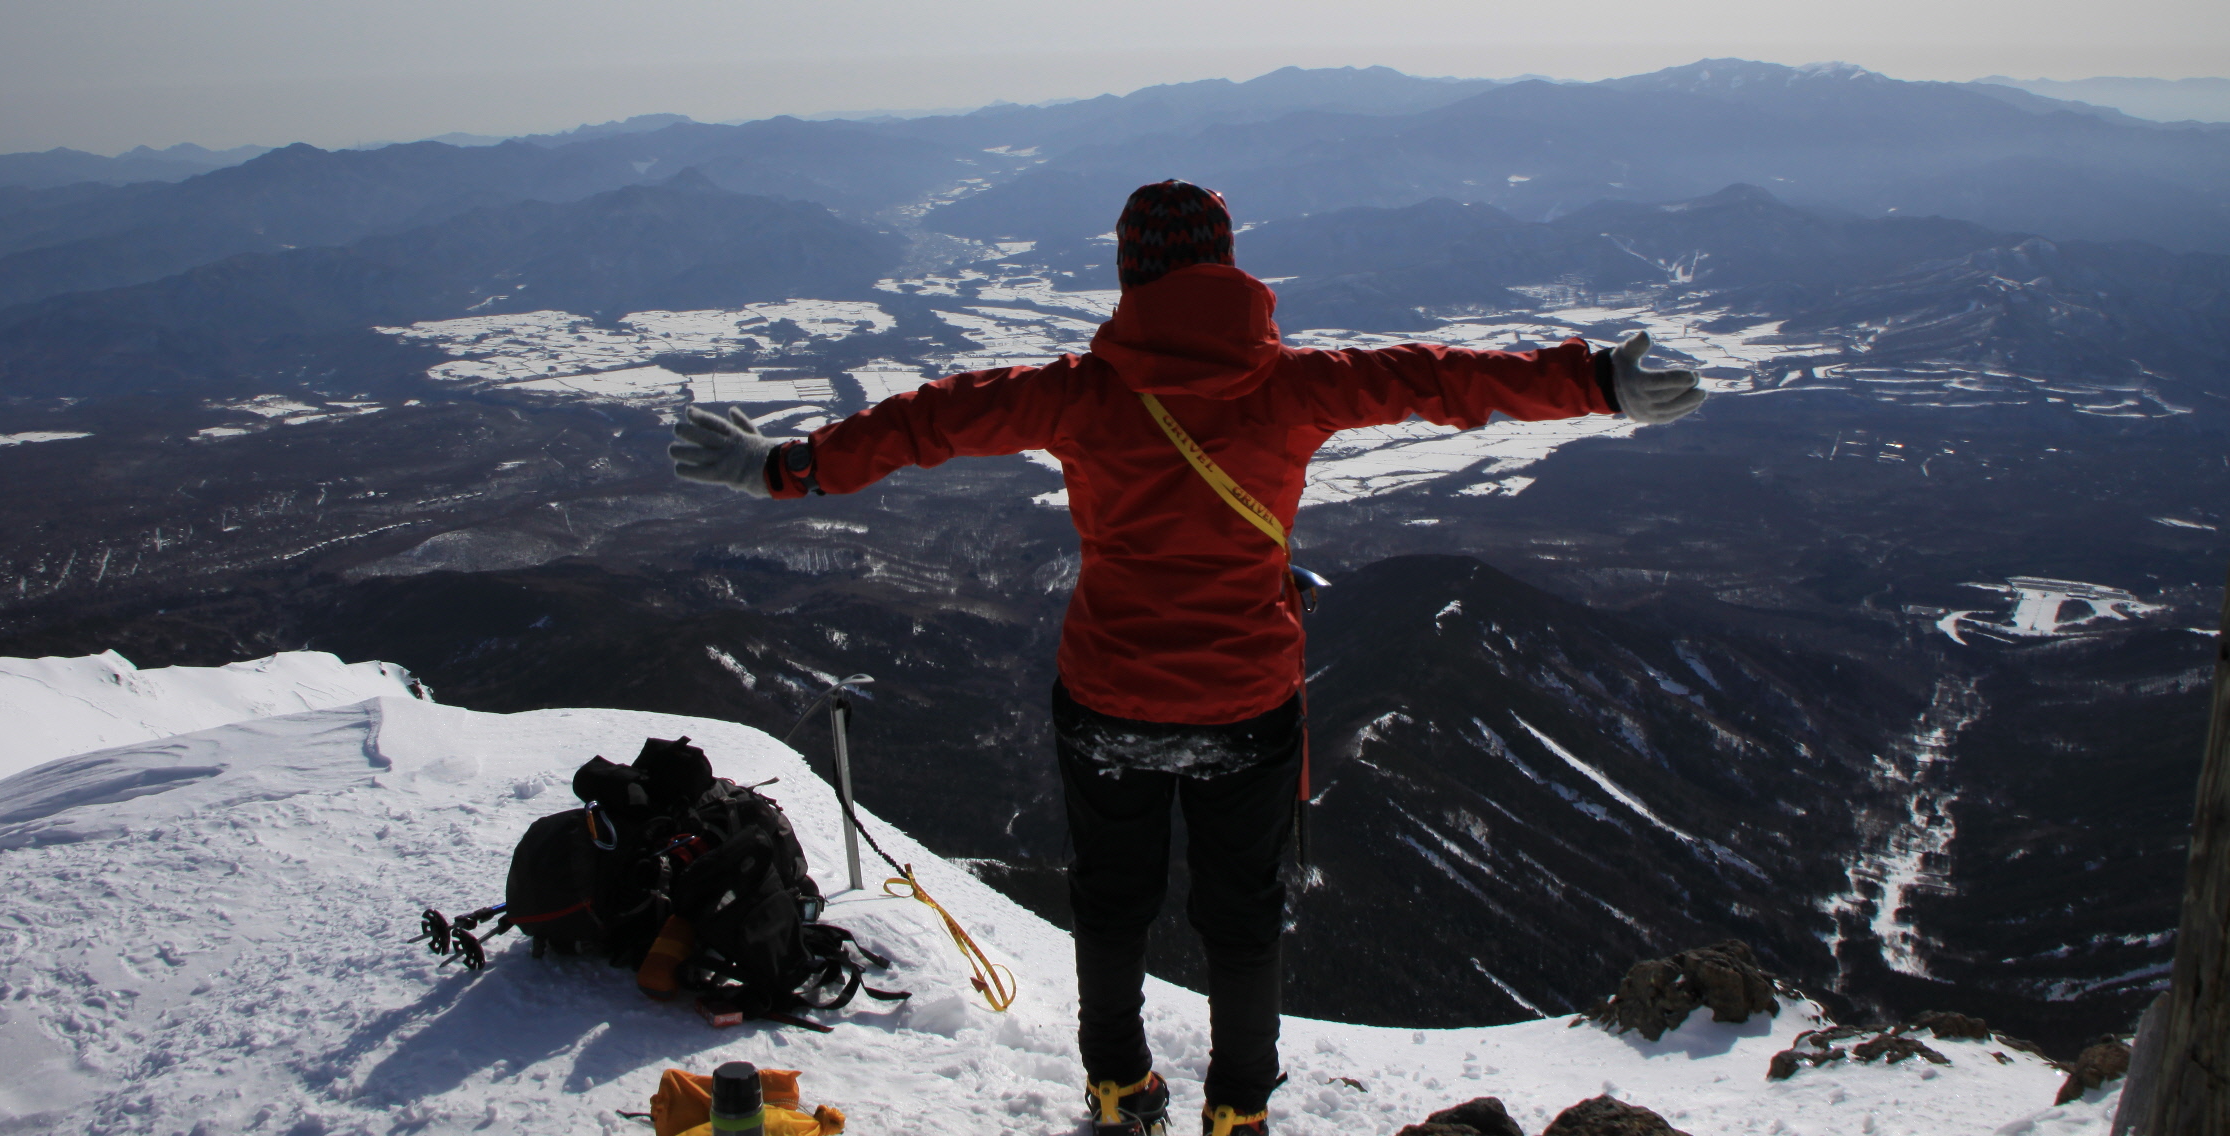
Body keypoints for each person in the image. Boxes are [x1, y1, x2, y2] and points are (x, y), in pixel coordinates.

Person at [669, 180, 1705, 1136]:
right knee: (1243, 920)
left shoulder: (1081, 393)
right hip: (1246, 706)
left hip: (1107, 698)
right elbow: (1440, 381)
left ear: (1130, 275)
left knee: (1111, 904)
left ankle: (1118, 1088)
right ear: (1226, 269)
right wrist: (1596, 382)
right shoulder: (1292, 387)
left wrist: (785, 466)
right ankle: (1239, 1112)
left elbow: (932, 419)